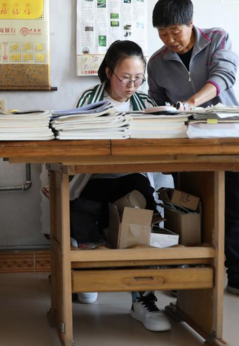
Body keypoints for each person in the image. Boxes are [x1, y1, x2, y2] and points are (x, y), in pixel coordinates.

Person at [148, 0, 239, 303]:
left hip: (229, 138)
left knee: (233, 209)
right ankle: (189, 273)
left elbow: (224, 76)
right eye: (162, 33)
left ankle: (238, 277)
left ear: (191, 22)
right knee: (186, 208)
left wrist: (190, 103)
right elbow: (156, 101)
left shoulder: (217, 38)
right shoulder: (156, 62)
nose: (169, 39)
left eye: (175, 30)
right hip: (186, 144)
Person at [73, 40, 172, 332]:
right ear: (108, 72)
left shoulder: (145, 104)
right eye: (124, 77)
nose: (131, 85)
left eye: (137, 78)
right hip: (93, 176)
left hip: (130, 178)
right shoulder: (88, 99)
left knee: (142, 200)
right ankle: (88, 272)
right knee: (81, 205)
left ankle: (142, 298)